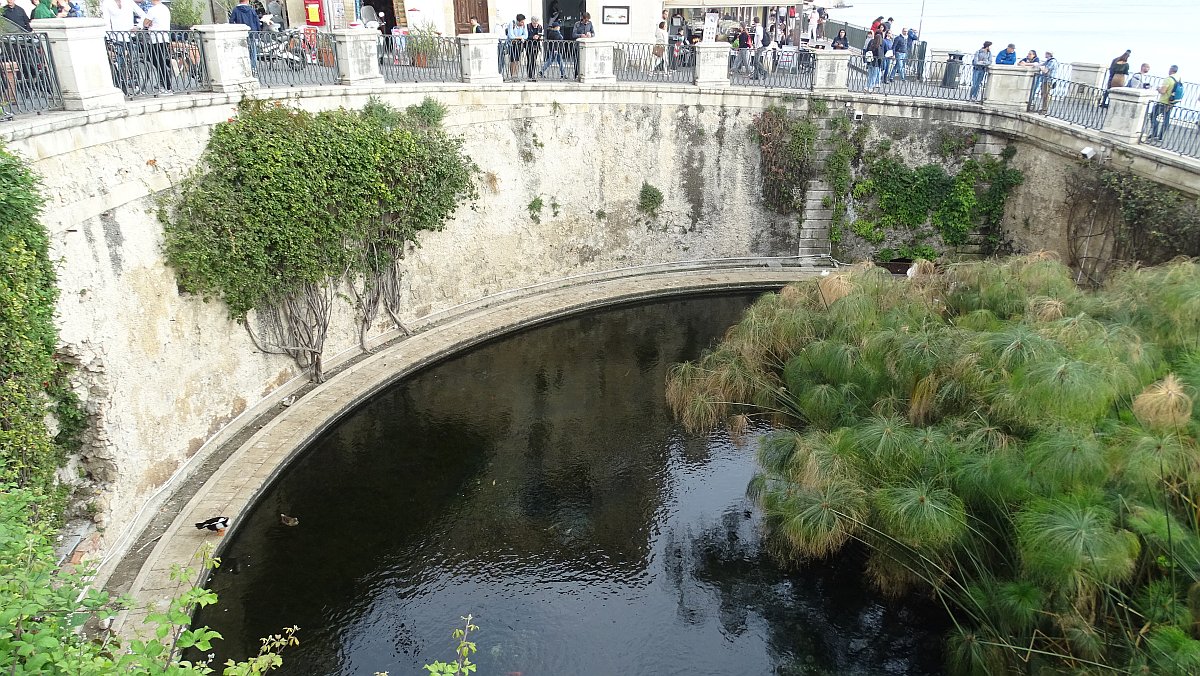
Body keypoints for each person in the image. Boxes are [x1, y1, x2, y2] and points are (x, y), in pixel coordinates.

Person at [142, 0, 172, 93]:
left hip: (156, 40)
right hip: (164, 38)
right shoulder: (165, 8)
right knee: (157, 60)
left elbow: (145, 23)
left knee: (158, 62)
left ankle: (167, 86)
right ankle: (165, 80)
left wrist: (149, 23)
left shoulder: (152, 10)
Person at [1150, 65, 1180, 142]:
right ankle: (1160, 137)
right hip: (1171, 103)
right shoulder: (1178, 79)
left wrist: (1158, 88)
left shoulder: (1168, 79)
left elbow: (1163, 91)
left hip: (1163, 101)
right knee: (1166, 120)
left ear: (1171, 70)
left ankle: (1154, 133)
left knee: (1153, 116)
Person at [229, 0, 260, 70]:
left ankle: (244, 67)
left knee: (242, 50)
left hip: (240, 33)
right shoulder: (251, 10)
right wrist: (258, 32)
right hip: (252, 32)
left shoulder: (235, 10)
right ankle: (253, 67)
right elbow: (256, 22)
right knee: (253, 50)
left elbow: (231, 21)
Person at [504, 13, 526, 78]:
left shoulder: (523, 25)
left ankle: (516, 74)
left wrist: (518, 37)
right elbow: (511, 36)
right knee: (512, 60)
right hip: (512, 44)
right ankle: (512, 75)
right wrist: (520, 37)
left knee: (517, 60)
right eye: (521, 22)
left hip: (519, 44)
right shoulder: (512, 24)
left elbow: (526, 35)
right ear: (518, 21)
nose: (523, 23)